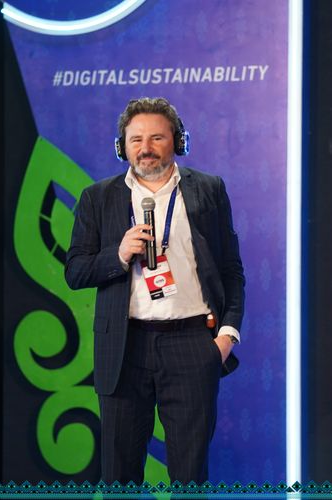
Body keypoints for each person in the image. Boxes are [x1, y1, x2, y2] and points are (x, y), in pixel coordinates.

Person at [65, 97, 245, 485]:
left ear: (177, 141)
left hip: (192, 343)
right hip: (124, 347)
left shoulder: (208, 190)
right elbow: (75, 271)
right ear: (122, 147)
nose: (145, 148)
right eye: (136, 139)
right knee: (120, 477)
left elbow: (231, 269)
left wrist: (226, 335)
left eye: (157, 138)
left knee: (190, 477)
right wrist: (118, 254)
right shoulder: (98, 198)